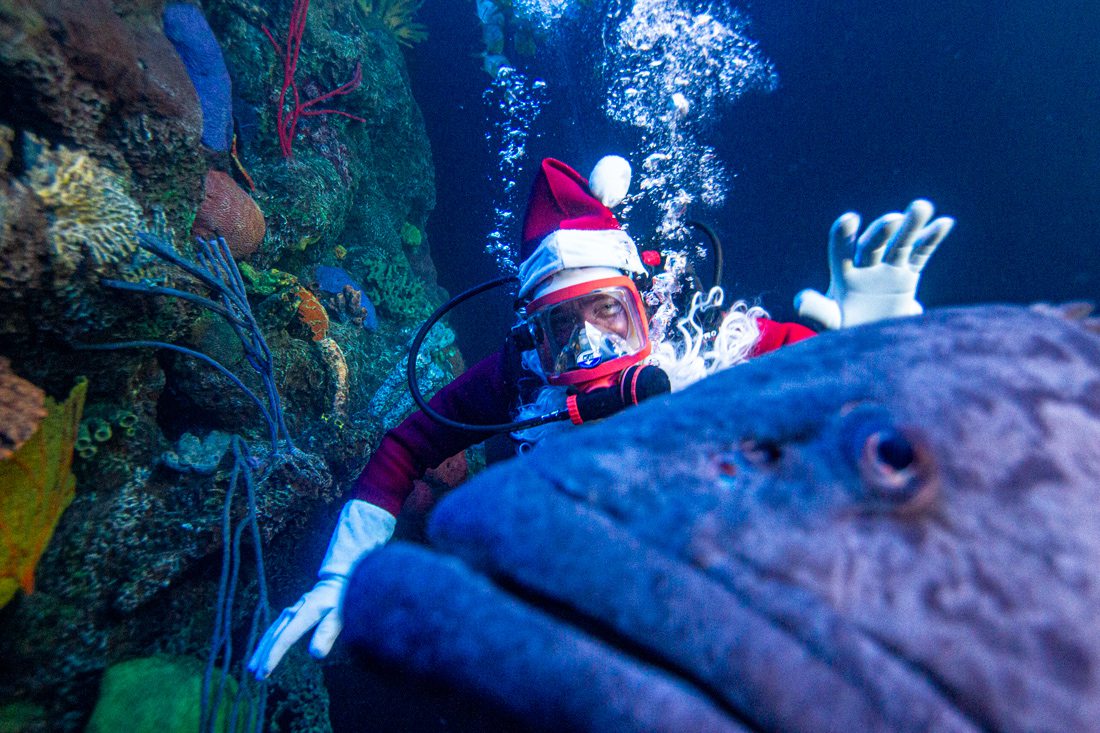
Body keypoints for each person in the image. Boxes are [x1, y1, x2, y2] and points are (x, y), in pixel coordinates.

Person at [247, 154, 954, 679]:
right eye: (563, 327)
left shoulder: (706, 343)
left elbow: (834, 390)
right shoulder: (518, 379)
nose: (590, 347)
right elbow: (403, 449)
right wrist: (341, 569)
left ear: (643, 302)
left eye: (608, 311)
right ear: (534, 336)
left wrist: (874, 344)